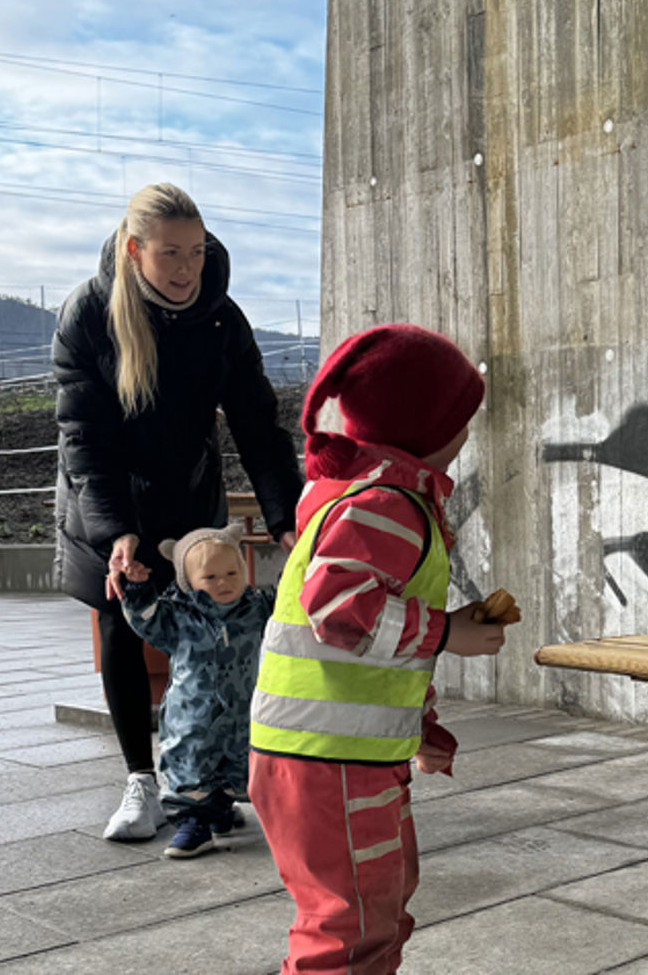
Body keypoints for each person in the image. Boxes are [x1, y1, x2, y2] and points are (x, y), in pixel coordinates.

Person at [249, 323, 512, 975]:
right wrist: (448, 631)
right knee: (350, 926)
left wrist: (418, 724)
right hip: (330, 761)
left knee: (377, 907)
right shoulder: (388, 505)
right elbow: (337, 606)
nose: (468, 431)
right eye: (461, 416)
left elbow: (367, 650)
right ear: (426, 426)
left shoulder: (362, 494)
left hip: (337, 754)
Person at [52, 183, 303, 842]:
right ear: (134, 250)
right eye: (170, 253)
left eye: (196, 251)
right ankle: (141, 779)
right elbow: (85, 437)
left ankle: (205, 775)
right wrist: (115, 531)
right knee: (121, 620)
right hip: (104, 493)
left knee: (207, 626)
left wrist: (286, 516)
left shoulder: (221, 318)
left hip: (188, 494)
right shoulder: (88, 315)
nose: (186, 268)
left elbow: (258, 426)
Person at [117, 525, 271, 858]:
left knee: (241, 761)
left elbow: (286, 601)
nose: (223, 582)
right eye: (210, 577)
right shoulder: (178, 617)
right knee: (191, 762)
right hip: (191, 714)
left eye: (232, 573)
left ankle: (220, 807)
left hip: (242, 711)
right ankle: (193, 820)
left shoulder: (255, 609)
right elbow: (144, 618)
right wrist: (138, 589)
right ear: (188, 581)